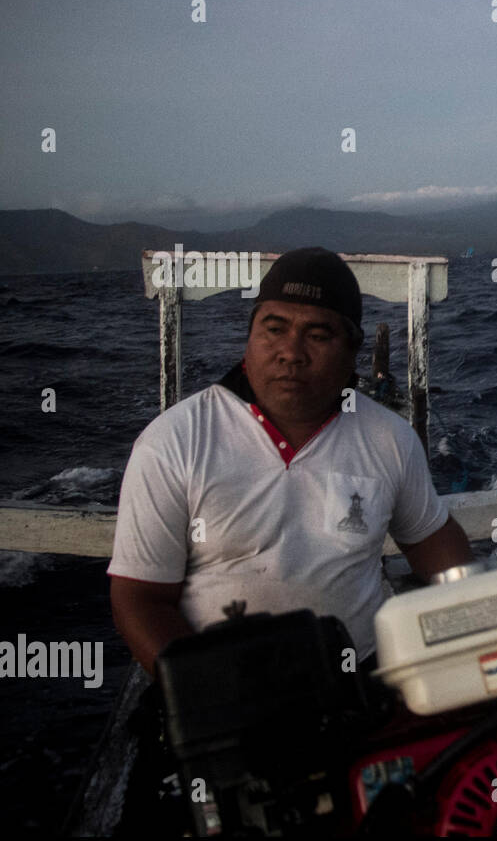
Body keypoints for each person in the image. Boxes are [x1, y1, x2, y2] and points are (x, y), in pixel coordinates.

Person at [108, 246, 473, 677]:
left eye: (318, 336)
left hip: (360, 683)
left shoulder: (389, 437)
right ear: (249, 339)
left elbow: (432, 543)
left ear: (352, 352)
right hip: (221, 694)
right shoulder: (174, 442)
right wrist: (205, 694)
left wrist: (478, 613)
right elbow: (140, 599)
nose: (291, 353)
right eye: (274, 329)